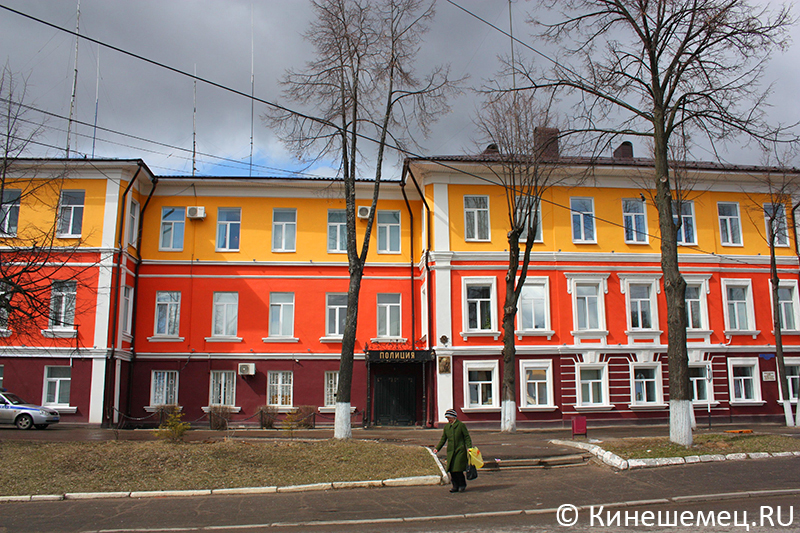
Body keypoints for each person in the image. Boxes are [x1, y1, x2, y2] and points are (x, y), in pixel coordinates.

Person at [433, 408, 472, 493]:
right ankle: (455, 486)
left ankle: (462, 485)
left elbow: (467, 437)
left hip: (460, 451)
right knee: (451, 470)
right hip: (451, 451)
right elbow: (443, 439)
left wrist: (469, 447)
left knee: (458, 469)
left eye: (449, 418)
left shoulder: (461, 425)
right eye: (447, 418)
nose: (448, 420)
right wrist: (437, 448)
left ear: (454, 417)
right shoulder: (447, 427)